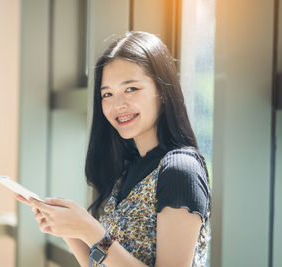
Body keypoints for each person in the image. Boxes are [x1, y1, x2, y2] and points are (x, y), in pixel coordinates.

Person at [17, 31, 211, 267]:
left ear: (162, 91)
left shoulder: (181, 170)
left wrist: (90, 230)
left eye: (131, 89)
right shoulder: (129, 168)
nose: (118, 105)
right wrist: (70, 229)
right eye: (107, 94)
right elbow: (101, 263)